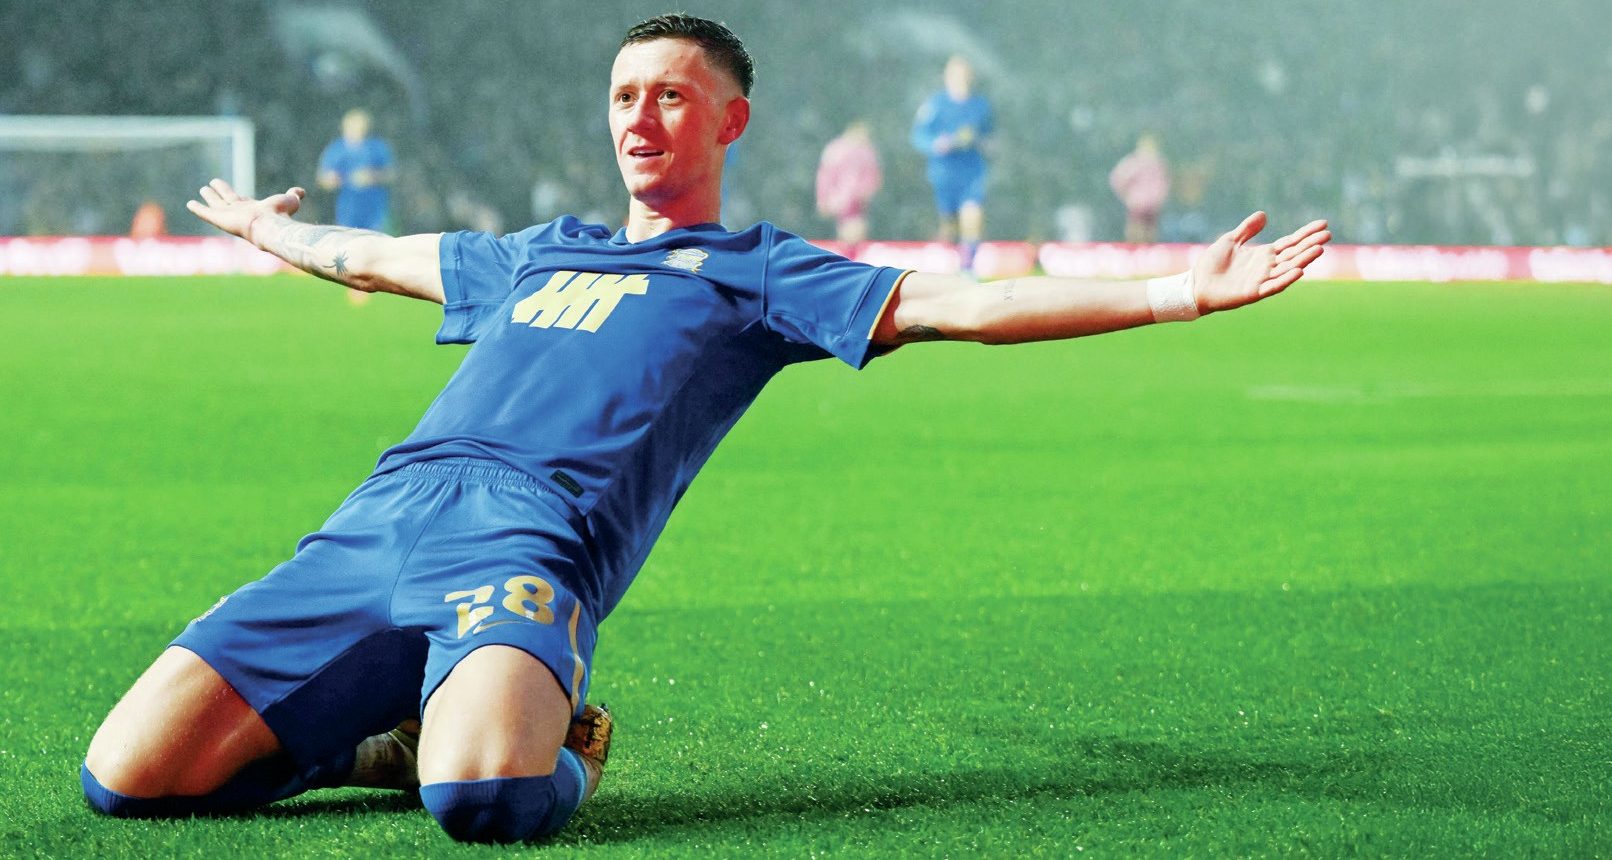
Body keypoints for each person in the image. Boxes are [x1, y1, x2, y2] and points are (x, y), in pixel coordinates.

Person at [81, 14, 1330, 845]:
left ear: (726, 122)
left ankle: (551, 733)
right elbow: (369, 249)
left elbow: (973, 300)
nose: (641, 116)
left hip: (525, 551)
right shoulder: (534, 251)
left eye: (673, 96)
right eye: (625, 93)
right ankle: (375, 749)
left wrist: (1178, 289)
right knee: (126, 778)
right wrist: (267, 230)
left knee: (487, 800)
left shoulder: (761, 274)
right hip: (369, 526)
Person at [910, 55, 992, 273]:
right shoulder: (935, 104)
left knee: (972, 215)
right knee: (949, 226)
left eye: (964, 74)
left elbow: (989, 136)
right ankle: (948, 261)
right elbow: (919, 136)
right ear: (946, 77)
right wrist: (937, 144)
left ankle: (968, 270)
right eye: (955, 74)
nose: (960, 79)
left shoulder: (980, 105)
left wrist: (979, 142)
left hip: (971, 172)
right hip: (944, 173)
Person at [317, 109, 395, 304]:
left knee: (375, 243)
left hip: (374, 206)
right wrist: (333, 179)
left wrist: (372, 177)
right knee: (349, 245)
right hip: (348, 206)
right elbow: (324, 178)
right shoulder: (337, 149)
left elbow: (391, 173)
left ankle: (378, 282)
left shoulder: (376, 148)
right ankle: (354, 285)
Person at [815, 120, 882, 245]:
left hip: (857, 201)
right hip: (839, 199)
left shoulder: (866, 152)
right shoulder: (835, 150)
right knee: (849, 228)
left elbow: (872, 175)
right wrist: (823, 197)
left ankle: (852, 251)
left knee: (855, 226)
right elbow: (825, 175)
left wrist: (867, 190)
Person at [1110, 133, 1171, 243]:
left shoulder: (1159, 163)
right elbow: (1118, 178)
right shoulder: (1135, 162)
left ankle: (1145, 250)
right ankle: (1136, 250)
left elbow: (1164, 183)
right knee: (1137, 228)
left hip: (1152, 203)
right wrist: (1126, 196)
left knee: (1150, 230)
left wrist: (1160, 197)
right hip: (1138, 202)